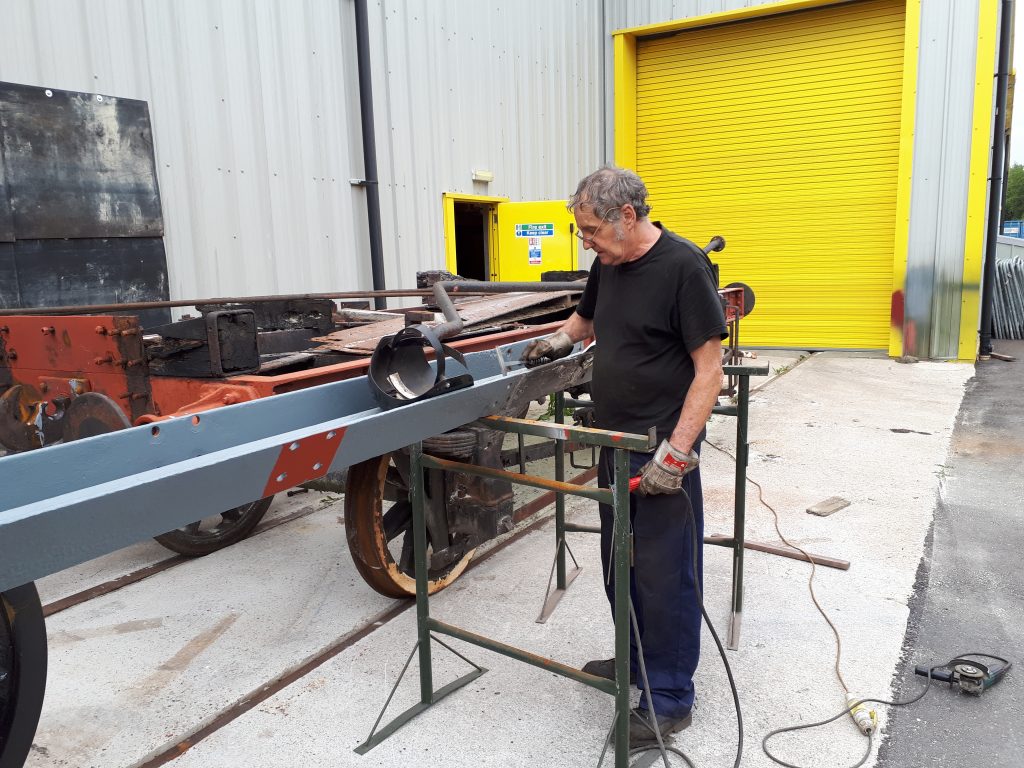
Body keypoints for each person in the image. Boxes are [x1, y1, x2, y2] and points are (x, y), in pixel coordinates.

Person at [522, 166, 727, 746]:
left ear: (627, 217)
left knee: (665, 576)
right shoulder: (605, 264)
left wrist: (676, 454)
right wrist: (557, 341)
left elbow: (709, 372)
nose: (584, 239)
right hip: (614, 446)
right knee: (620, 565)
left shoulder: (684, 268)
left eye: (589, 229)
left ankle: (668, 696)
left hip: (658, 453)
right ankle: (634, 659)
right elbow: (587, 319)